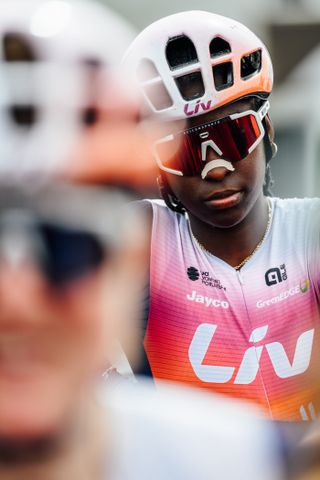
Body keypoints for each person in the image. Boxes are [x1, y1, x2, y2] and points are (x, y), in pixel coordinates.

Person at [0, 2, 285, 479]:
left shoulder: (238, 459)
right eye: (188, 153)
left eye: (62, 247)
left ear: (126, 265)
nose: (14, 300)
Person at [122, 10, 320, 422]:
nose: (215, 167)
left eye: (233, 135)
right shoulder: (138, 243)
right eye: (183, 150)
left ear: (267, 131)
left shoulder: (312, 232)